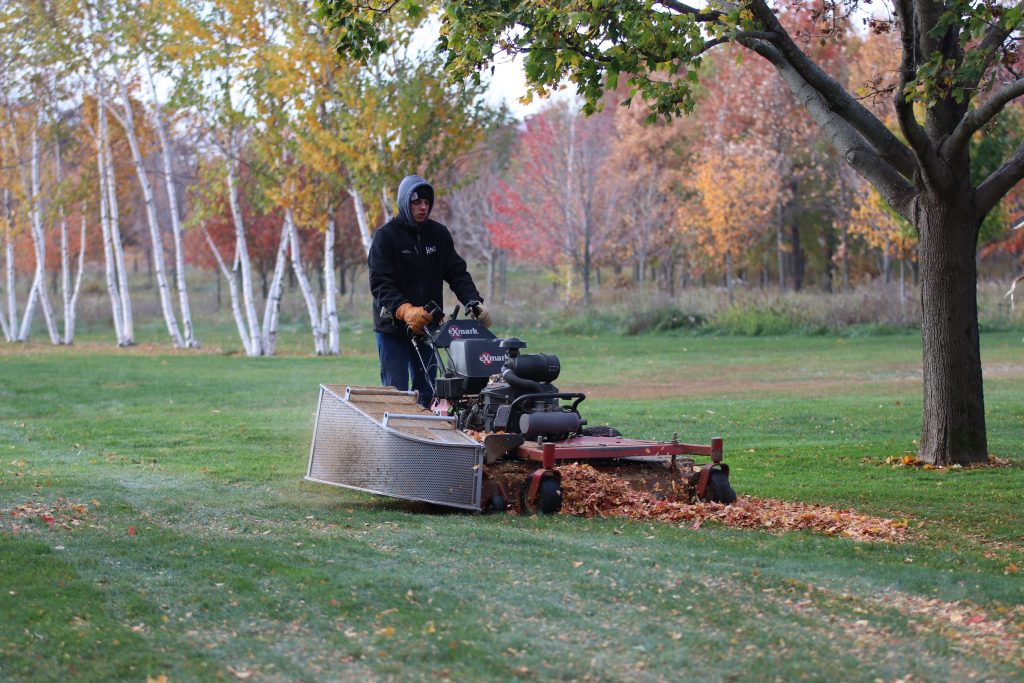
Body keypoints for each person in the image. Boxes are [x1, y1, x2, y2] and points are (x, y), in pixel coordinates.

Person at [368, 174, 492, 408]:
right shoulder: (386, 237)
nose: (423, 207)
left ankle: (425, 431)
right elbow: (380, 283)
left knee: (427, 390)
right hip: (392, 329)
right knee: (396, 392)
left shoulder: (439, 234)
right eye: (416, 202)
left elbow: (456, 272)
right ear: (404, 202)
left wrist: (473, 301)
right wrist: (405, 310)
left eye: (426, 202)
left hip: (427, 328)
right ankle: (396, 431)